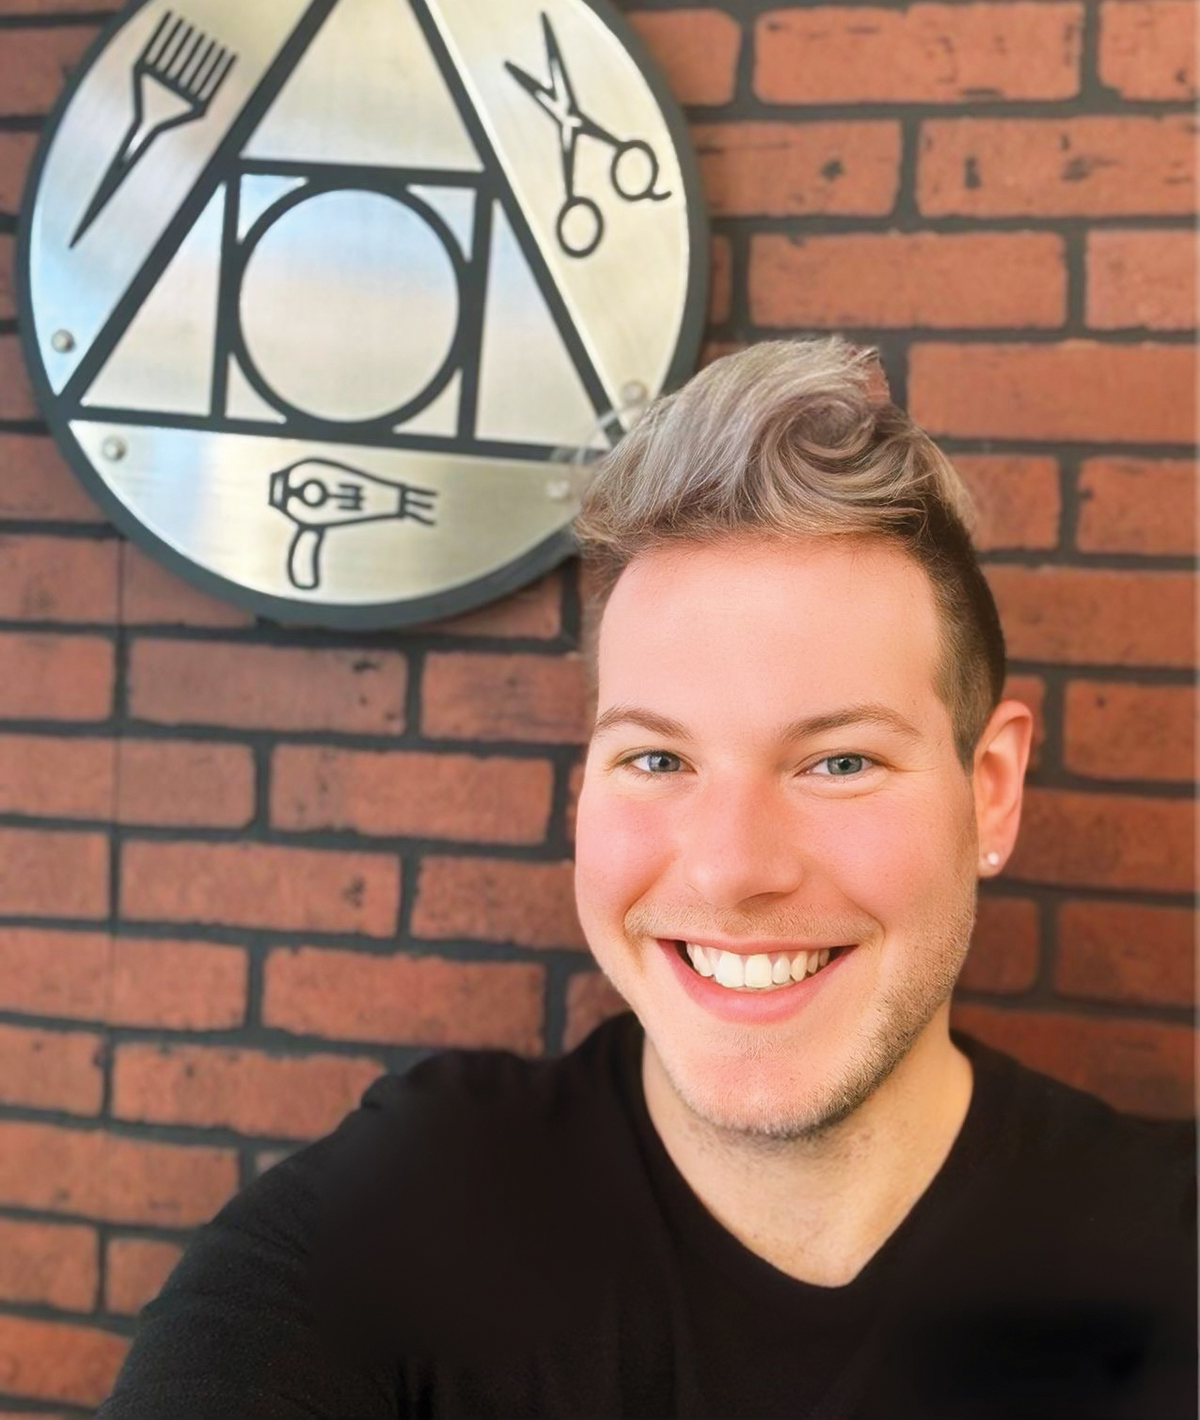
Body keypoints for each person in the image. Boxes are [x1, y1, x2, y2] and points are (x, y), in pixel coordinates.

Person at [97, 338, 1195, 1419]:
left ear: (989, 792)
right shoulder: (389, 1224)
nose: (729, 868)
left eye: (840, 761)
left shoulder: (1166, 1247)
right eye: (659, 759)